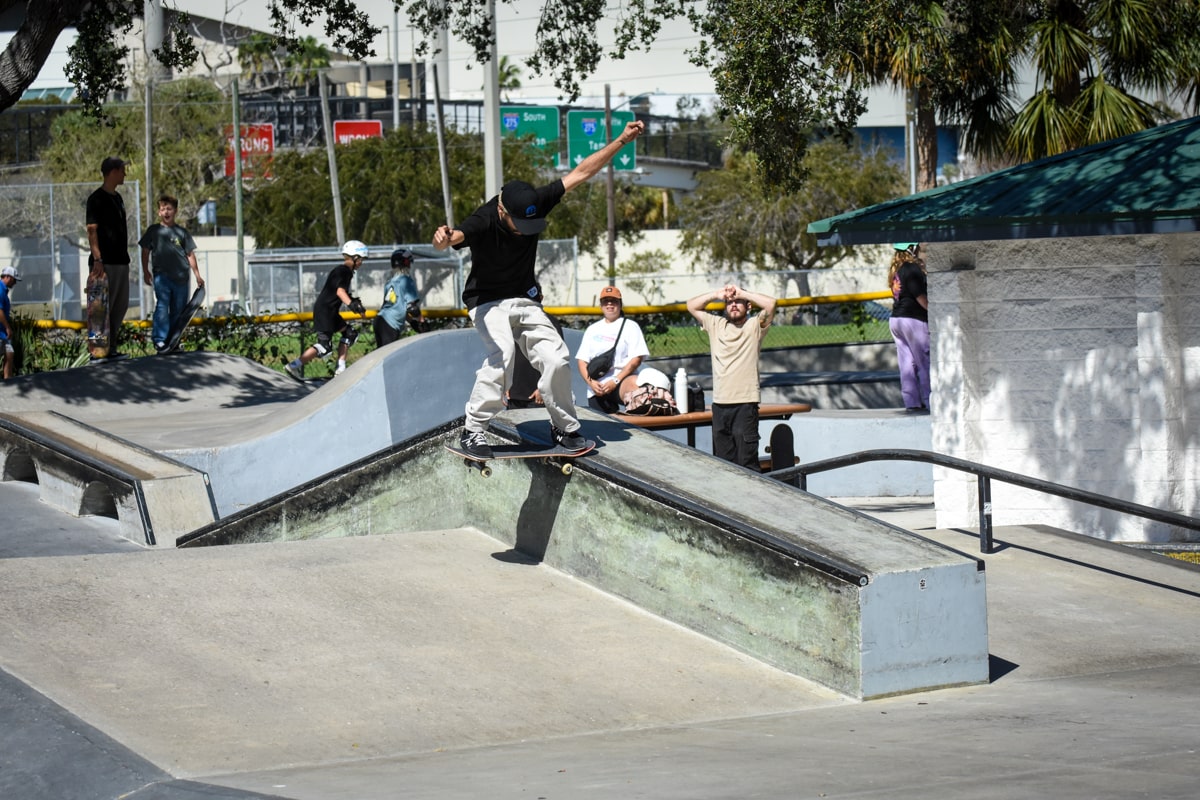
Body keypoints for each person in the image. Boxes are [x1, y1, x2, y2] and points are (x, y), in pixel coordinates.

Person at [432, 119, 647, 459]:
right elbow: (454, 237)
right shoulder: (485, 220)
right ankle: (473, 430)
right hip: (487, 303)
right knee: (502, 355)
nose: (526, 232)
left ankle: (563, 427)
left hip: (524, 299)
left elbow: (580, 173)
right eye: (521, 226)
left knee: (557, 358)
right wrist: (443, 239)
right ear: (503, 211)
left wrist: (621, 140)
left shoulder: (535, 202)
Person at [686, 284, 777, 469]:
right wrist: (717, 294)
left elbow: (771, 304)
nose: (733, 305)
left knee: (746, 463)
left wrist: (742, 292)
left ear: (748, 306)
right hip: (720, 405)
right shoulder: (716, 324)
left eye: (738, 302)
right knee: (724, 466)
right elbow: (691, 305)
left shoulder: (754, 325)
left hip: (745, 403)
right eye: (729, 302)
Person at [285, 240, 368, 379]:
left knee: (350, 334)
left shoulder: (339, 270)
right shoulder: (345, 272)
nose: (361, 263)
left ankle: (341, 369)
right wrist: (352, 305)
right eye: (361, 260)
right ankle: (294, 366)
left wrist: (352, 300)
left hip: (328, 311)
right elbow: (340, 292)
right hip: (326, 312)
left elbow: (337, 290)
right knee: (324, 347)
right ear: (355, 258)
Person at [139, 194, 205, 352]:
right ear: (159, 212)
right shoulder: (154, 231)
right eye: (163, 209)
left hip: (182, 278)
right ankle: (160, 339)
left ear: (175, 211)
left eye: (169, 209)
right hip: (162, 276)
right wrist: (145, 271)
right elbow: (145, 251)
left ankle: (172, 341)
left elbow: (190, 255)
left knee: (178, 310)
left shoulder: (181, 232)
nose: (166, 212)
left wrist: (197, 275)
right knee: (162, 305)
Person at [575, 284, 649, 414]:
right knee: (602, 428)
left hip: (621, 381)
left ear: (620, 304)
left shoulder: (630, 326)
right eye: (605, 301)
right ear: (601, 305)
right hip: (596, 387)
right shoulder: (593, 329)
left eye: (613, 301)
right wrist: (591, 382)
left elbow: (636, 359)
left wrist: (615, 381)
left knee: (636, 387)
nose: (609, 304)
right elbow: (582, 361)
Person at [85, 156, 132, 359]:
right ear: (113, 172)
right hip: (104, 264)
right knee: (101, 309)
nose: (125, 174)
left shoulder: (118, 198)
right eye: (122, 170)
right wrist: (98, 259)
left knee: (120, 306)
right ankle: (98, 351)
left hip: (121, 261)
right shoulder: (96, 199)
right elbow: (91, 230)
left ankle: (110, 349)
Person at [887, 243, 930, 412]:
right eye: (917, 247)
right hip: (913, 320)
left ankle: (911, 402)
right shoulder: (911, 269)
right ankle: (930, 399)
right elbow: (920, 297)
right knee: (925, 362)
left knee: (906, 363)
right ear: (911, 249)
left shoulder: (896, 270)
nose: (919, 250)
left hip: (896, 320)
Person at [506, 283, 561, 409]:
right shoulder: (514, 322)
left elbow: (556, 360)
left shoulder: (550, 323)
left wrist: (544, 388)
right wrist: (505, 383)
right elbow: (508, 353)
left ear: (541, 298)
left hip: (537, 397)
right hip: (514, 395)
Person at [374, 248, 422, 347]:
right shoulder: (406, 280)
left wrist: (412, 322)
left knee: (381, 356)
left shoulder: (390, 282)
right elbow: (412, 309)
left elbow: (399, 307)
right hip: (390, 324)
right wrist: (422, 322)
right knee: (388, 358)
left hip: (380, 321)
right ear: (406, 262)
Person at [0, 266, 20, 379]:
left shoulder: (3, 290)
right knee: (8, 353)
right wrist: (7, 327)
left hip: (2, 333)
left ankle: (8, 380)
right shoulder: (0, 290)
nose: (15, 283)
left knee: (9, 353)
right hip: (2, 331)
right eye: (14, 279)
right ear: (7, 277)